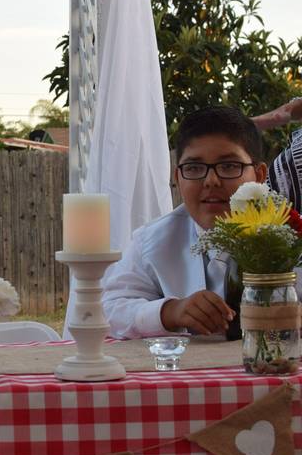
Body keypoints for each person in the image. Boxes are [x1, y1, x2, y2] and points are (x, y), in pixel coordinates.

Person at [101, 106, 269, 339]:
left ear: (259, 176)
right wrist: (169, 312)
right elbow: (111, 309)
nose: (211, 181)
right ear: (177, 178)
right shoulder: (152, 241)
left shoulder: (290, 238)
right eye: (194, 168)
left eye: (229, 166)